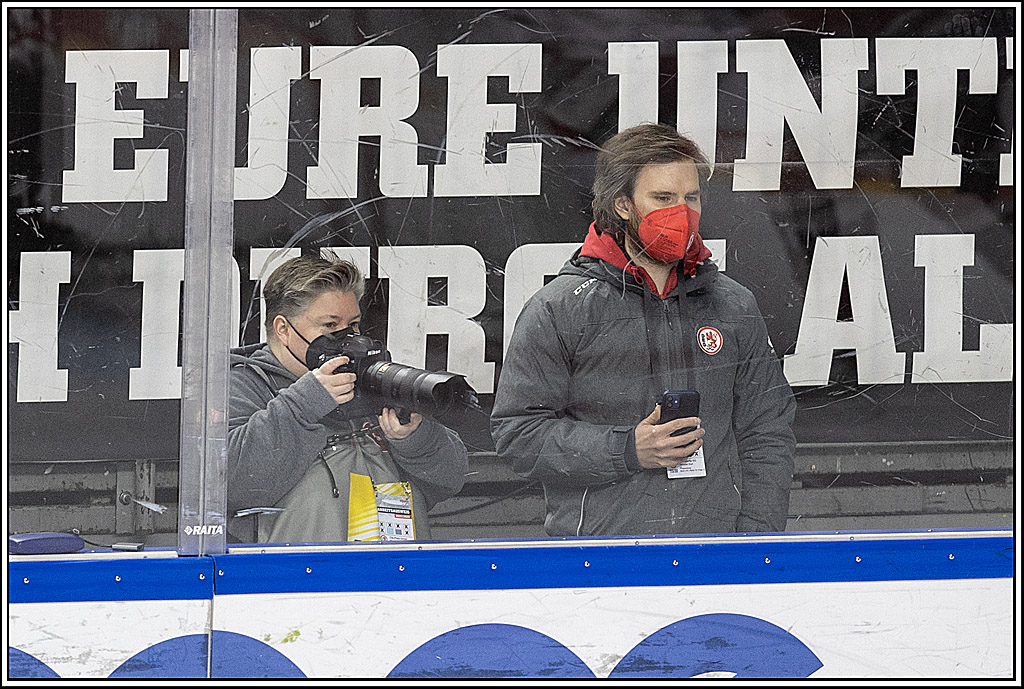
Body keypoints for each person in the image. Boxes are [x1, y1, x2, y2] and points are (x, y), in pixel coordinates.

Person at [491, 123, 796, 537]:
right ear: (622, 205)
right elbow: (518, 434)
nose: (681, 213)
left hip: (717, 554)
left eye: (691, 198)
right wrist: (626, 449)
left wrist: (754, 541)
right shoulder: (560, 307)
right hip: (599, 560)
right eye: (663, 199)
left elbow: (768, 433)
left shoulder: (732, 304)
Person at [227, 253, 468, 543]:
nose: (348, 338)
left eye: (353, 325)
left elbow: (452, 480)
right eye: (330, 326)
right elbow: (232, 486)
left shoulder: (370, 378)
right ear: (283, 329)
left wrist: (415, 439)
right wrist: (305, 402)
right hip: (298, 581)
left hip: (399, 575)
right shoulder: (243, 384)